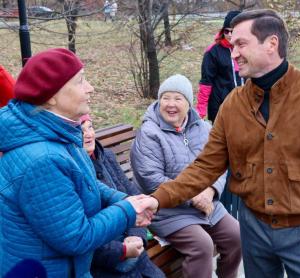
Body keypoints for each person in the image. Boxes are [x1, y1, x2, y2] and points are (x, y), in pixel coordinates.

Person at [149, 10, 300, 278]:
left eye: (241, 44)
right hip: (254, 230)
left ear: (271, 44)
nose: (233, 53)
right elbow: (205, 167)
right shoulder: (233, 104)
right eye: (232, 45)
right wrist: (157, 200)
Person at [0, 48, 154, 277]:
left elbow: (84, 181)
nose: (90, 87)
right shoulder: (43, 159)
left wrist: (123, 199)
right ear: (51, 95)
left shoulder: (58, 133)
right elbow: (76, 236)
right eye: (80, 81)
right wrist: (129, 210)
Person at [130, 74, 242, 278]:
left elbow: (219, 163)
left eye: (177, 98)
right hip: (166, 210)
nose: (170, 104)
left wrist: (210, 191)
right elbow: (150, 178)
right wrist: (194, 196)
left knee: (236, 235)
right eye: (165, 98)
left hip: (205, 203)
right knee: (201, 245)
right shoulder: (149, 132)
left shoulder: (203, 128)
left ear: (188, 103)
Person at [80, 114, 165, 278]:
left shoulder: (106, 157)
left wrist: (136, 236)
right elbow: (84, 236)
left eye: (90, 127)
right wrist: (122, 250)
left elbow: (132, 195)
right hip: (105, 259)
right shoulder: (75, 170)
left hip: (133, 244)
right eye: (81, 130)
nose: (88, 134)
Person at [196, 10, 244, 123]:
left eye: (233, 31)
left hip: (245, 106)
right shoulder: (212, 52)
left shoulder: (247, 48)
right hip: (221, 107)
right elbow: (206, 82)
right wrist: (200, 110)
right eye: (226, 31)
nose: (230, 35)